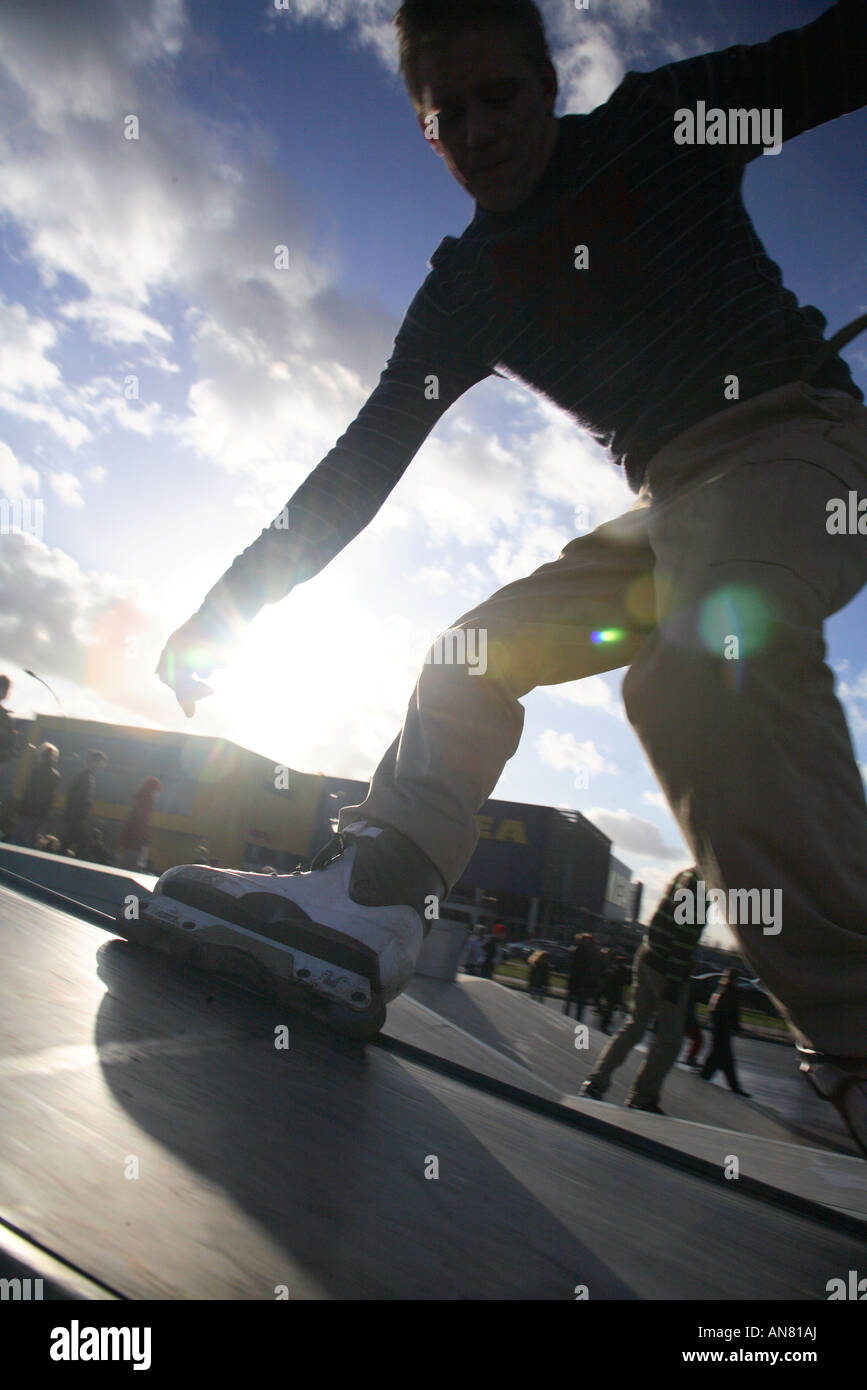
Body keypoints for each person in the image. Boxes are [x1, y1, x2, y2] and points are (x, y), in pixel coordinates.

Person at [153, 0, 867, 1149]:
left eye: (501, 98)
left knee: (696, 671)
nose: (480, 131)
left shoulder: (666, 124)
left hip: (806, 444)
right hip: (675, 504)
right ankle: (379, 896)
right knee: (468, 655)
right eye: (450, 115)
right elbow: (359, 464)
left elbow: (837, 55)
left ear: (549, 84)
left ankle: (858, 1035)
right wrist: (226, 610)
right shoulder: (468, 290)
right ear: (428, 135)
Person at [582, 867, 702, 1113]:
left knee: (634, 1025)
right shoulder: (699, 886)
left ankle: (595, 1082)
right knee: (670, 1039)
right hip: (667, 967)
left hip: (646, 956)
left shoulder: (685, 874)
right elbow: (684, 938)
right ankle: (642, 1096)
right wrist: (675, 982)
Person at [700, 970, 751, 1097]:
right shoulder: (731, 993)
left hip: (718, 1029)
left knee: (722, 1059)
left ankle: (732, 1086)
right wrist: (737, 1029)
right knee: (721, 1058)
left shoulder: (721, 991)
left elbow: (714, 1011)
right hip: (722, 1030)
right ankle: (732, 1086)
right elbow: (732, 1013)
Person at [11, 742, 60, 846]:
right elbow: (51, 797)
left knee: (19, 838)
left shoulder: (36, 772)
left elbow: (29, 792)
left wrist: (22, 807)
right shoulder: (55, 775)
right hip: (42, 814)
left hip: (28, 811)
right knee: (35, 841)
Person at [61, 750, 108, 859]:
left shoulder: (85, 776)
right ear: (94, 762)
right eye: (100, 763)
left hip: (75, 816)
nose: (102, 766)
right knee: (83, 844)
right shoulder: (86, 777)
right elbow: (80, 798)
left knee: (70, 842)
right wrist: (82, 815)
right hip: (77, 817)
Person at [117, 776, 162, 870]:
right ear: (152, 790)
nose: (158, 795)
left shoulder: (141, 802)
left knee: (126, 867)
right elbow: (141, 824)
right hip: (135, 844)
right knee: (129, 869)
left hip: (131, 843)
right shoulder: (145, 804)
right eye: (157, 791)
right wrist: (145, 837)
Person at [563, 932, 597, 1022]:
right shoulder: (580, 951)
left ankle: (571, 1018)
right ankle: (571, 1019)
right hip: (578, 980)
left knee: (575, 1002)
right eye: (588, 941)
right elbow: (578, 966)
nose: (589, 943)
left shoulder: (589, 951)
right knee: (575, 1002)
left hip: (580, 981)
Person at [596, 953, 631, 1034]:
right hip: (616, 992)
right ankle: (605, 1023)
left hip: (609, 991)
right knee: (610, 1009)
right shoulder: (623, 970)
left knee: (609, 1008)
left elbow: (604, 977)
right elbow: (627, 981)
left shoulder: (612, 968)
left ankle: (604, 1021)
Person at [682, 979, 704, 1068]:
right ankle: (691, 1057)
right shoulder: (693, 984)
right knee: (698, 1038)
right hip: (688, 1016)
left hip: (681, 1014)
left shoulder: (687, 982)